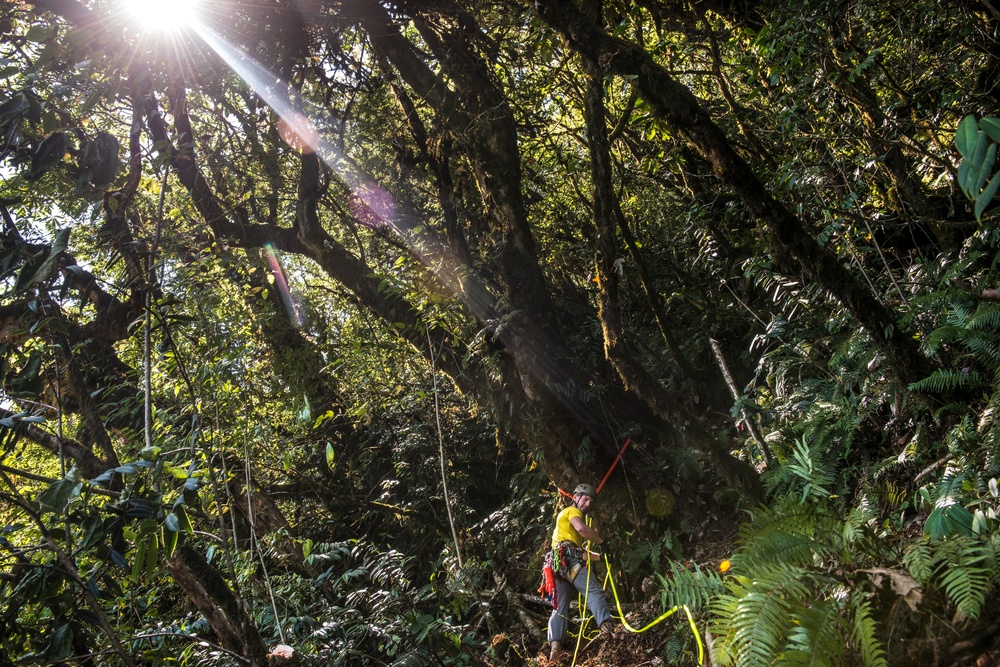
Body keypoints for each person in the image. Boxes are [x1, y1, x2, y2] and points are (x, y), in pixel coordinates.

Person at [547, 483, 613, 662]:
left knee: (559, 607)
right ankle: (610, 633)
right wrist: (602, 541)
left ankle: (555, 649)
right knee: (594, 591)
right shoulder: (572, 512)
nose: (588, 504)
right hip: (568, 561)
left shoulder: (563, 530)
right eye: (585, 499)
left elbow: (580, 553)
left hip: (558, 566)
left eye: (591, 501)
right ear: (575, 498)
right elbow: (582, 529)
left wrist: (603, 556)